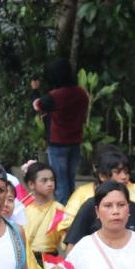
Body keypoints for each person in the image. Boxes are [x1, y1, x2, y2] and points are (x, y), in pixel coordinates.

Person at [64, 181, 135, 269]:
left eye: (121, 205)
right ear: (97, 211)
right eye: (108, 206)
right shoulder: (83, 248)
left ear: (129, 209)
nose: (116, 211)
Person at [62, 146, 135, 239]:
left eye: (126, 172)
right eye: (118, 172)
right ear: (102, 175)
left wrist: (129, 236)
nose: (124, 177)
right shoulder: (83, 194)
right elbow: (67, 222)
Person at [31, 58, 90, 205]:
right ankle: (73, 212)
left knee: (60, 183)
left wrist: (35, 90)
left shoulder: (55, 96)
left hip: (58, 143)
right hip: (75, 142)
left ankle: (64, 217)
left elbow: (37, 105)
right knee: (70, 180)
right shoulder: (82, 93)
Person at [20, 161, 66, 269]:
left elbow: (66, 241)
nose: (50, 184)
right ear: (31, 184)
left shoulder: (60, 209)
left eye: (52, 179)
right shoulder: (22, 208)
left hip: (50, 264)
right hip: (25, 262)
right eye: (44, 180)